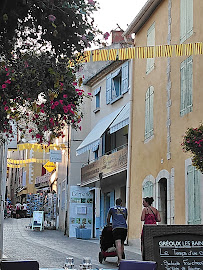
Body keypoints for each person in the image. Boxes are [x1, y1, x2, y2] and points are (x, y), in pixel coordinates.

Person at [107, 198, 127, 266]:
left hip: (116, 228)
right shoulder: (125, 209)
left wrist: (108, 224)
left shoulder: (112, 209)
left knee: (117, 243)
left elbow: (108, 218)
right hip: (124, 228)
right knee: (122, 243)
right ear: (121, 203)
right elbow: (125, 218)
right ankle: (120, 260)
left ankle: (120, 260)